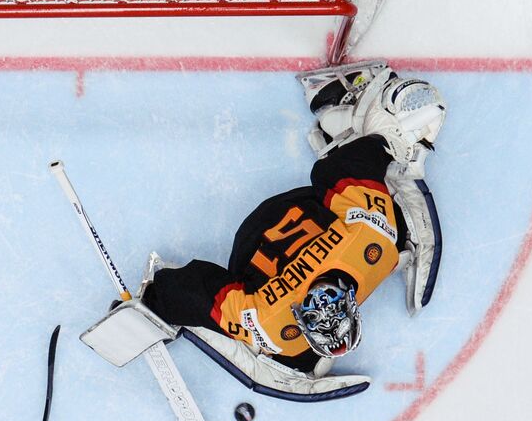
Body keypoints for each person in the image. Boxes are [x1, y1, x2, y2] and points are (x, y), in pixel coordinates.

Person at [104, 62, 446, 401]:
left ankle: (350, 113)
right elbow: (199, 293)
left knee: (374, 201)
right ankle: (350, 112)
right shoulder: (273, 324)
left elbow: (339, 169)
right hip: (256, 245)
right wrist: (155, 302)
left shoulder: (375, 247)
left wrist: (384, 142)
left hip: (284, 218)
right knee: (290, 353)